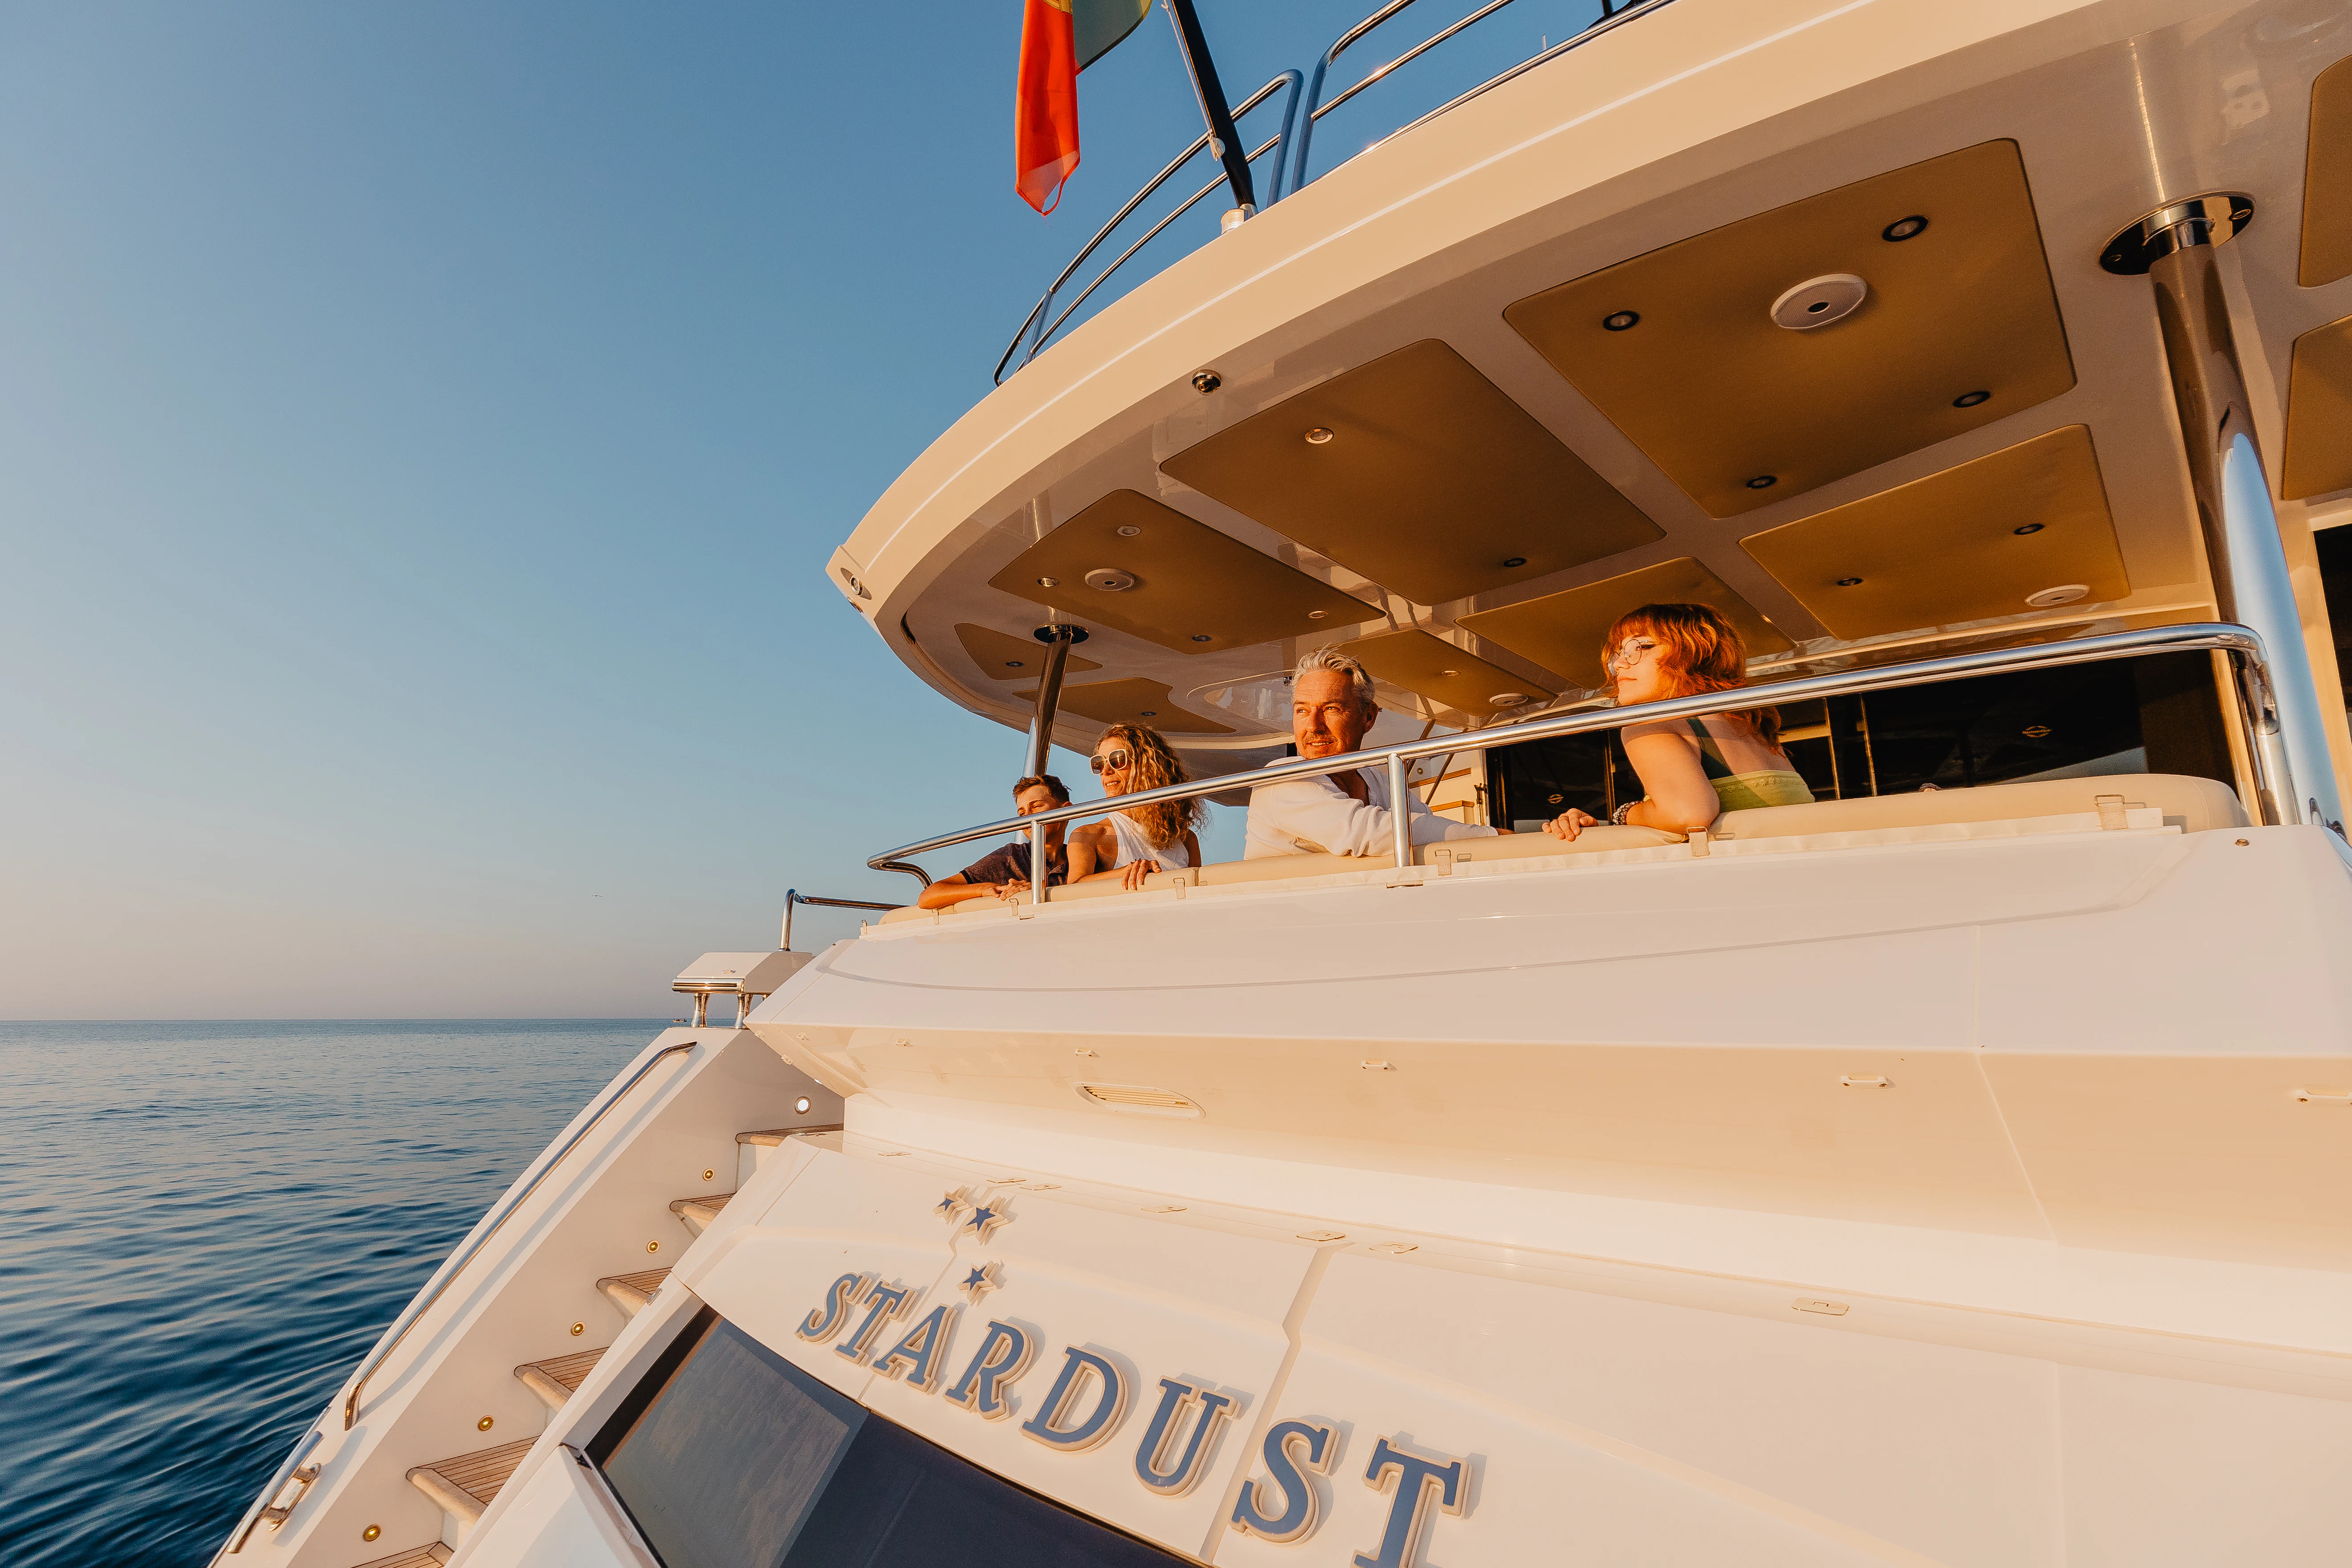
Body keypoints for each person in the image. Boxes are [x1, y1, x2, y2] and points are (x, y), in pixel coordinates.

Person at [1545, 603, 1813, 843]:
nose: (1620, 666)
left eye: (1640, 648)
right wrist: (1602, 826)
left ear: (1696, 652)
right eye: (1618, 654)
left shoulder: (1650, 725)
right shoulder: (1751, 726)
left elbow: (1689, 816)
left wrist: (1625, 814)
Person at [1245, 646, 1504, 859]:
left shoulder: (1379, 780)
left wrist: (1534, 839)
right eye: (1302, 710)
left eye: (1331, 709)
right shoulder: (1281, 779)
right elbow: (1364, 833)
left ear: (1368, 717)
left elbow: (1426, 824)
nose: (1313, 725)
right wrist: (1497, 838)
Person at [1067, 725, 1204, 891]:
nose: (1106, 771)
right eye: (1099, 764)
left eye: (1117, 759)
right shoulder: (1088, 836)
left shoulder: (1186, 838)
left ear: (1147, 766)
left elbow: (1197, 892)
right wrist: (1124, 872)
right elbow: (1073, 888)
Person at [916, 775, 1072, 909]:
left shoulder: (1080, 854)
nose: (1027, 817)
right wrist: (986, 889)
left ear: (1066, 810)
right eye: (1022, 812)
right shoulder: (1010, 857)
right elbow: (928, 897)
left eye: (1036, 806)